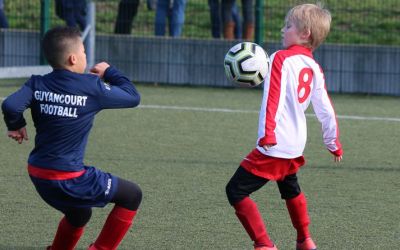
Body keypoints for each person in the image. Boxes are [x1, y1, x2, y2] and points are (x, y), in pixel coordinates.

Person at [1, 26, 142, 250]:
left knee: (79, 213)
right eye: (84, 51)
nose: (87, 56)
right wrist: (109, 71)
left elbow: (10, 105)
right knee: (132, 195)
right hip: (69, 177)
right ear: (73, 58)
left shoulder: (37, 83)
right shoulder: (92, 87)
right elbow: (133, 97)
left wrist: (16, 125)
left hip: (38, 174)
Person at [225, 3, 343, 250]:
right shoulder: (314, 67)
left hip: (276, 142)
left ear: (305, 33)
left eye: (288, 25)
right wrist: (333, 143)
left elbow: (273, 99)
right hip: (296, 144)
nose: (283, 29)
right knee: (290, 189)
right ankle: (305, 240)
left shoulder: (279, 58)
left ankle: (264, 244)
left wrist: (268, 133)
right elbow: (325, 108)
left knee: (235, 190)